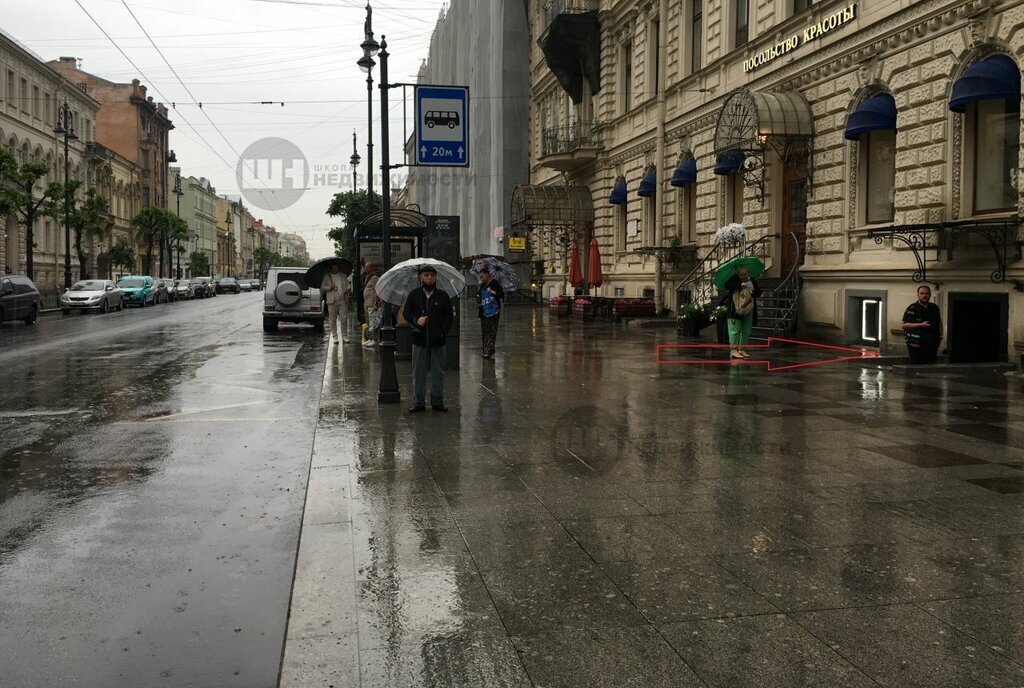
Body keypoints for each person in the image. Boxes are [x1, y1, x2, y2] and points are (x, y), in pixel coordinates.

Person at [402, 265, 454, 413]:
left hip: (438, 341)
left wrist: (443, 331)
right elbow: (406, 312)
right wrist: (416, 320)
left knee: (438, 372)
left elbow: (449, 316)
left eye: (432, 275)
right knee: (418, 372)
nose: (429, 278)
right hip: (419, 340)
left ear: (436, 277)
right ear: (421, 277)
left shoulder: (443, 296)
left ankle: (437, 402)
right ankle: (418, 402)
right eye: (426, 275)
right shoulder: (414, 295)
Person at [723, 266, 762, 359]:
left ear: (748, 273)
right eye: (741, 275)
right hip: (736, 308)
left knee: (746, 330)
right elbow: (727, 286)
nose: (744, 276)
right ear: (738, 274)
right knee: (735, 330)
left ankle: (741, 349)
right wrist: (740, 285)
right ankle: (733, 350)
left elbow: (759, 292)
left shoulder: (751, 280)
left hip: (748, 308)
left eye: (745, 274)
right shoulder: (734, 278)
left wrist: (752, 291)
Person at [902, 285, 942, 364]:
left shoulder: (934, 307)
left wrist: (941, 336)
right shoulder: (912, 308)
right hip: (915, 344)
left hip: (932, 343)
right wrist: (921, 325)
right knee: (916, 365)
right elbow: (904, 325)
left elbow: (939, 322)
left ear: (930, 294)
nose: (924, 295)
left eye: (927, 293)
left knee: (930, 365)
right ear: (918, 294)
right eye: (922, 293)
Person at [476, 267, 504, 359]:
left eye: (482, 276)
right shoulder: (482, 285)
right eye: (480, 277)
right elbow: (479, 296)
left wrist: (492, 292)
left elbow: (501, 294)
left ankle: (488, 351)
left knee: (491, 331)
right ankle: (487, 349)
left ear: (487, 275)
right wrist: (478, 297)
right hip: (484, 311)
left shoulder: (495, 284)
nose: (481, 279)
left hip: (493, 312)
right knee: (484, 331)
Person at [320, 263, 351, 344]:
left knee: (344, 318)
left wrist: (347, 289)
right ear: (331, 268)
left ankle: (344, 335)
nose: (335, 269)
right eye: (333, 268)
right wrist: (330, 287)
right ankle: (335, 336)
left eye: (336, 268)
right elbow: (322, 287)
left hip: (342, 300)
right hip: (331, 301)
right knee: (332, 319)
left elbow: (348, 285)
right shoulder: (327, 276)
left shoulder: (343, 275)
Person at [362, 262, 382, 347]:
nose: (366, 268)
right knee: (369, 322)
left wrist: (375, 303)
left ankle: (374, 339)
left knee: (374, 321)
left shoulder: (374, 277)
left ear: (372, 267)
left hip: (372, 303)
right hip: (367, 303)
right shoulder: (367, 277)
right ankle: (370, 339)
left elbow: (376, 290)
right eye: (365, 267)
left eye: (368, 267)